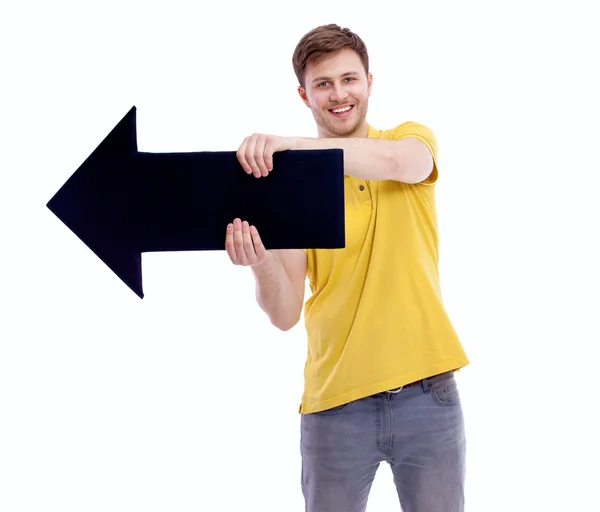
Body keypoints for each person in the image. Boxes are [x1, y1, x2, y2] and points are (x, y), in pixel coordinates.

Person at [224, 23, 470, 512]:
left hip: (428, 395)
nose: (339, 95)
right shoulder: (290, 188)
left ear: (369, 82)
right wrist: (259, 262)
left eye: (349, 79)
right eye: (323, 84)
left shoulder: (410, 140)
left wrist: (292, 148)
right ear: (304, 94)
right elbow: (284, 313)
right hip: (335, 404)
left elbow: (399, 163)